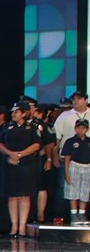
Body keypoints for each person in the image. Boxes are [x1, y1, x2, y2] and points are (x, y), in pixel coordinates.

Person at [0, 102, 41, 236]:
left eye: (16, 112)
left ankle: (22, 226)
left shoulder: (32, 127)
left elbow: (36, 145)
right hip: (10, 164)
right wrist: (10, 153)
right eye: (13, 112)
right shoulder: (7, 127)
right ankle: (14, 226)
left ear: (23, 114)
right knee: (12, 196)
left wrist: (20, 154)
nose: (13, 114)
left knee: (24, 196)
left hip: (26, 165)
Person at [54, 91, 89, 220]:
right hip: (67, 158)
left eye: (79, 98)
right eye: (74, 99)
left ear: (86, 100)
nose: (75, 101)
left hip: (87, 160)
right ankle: (62, 217)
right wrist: (54, 156)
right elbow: (57, 138)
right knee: (64, 187)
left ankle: (82, 215)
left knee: (85, 188)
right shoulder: (65, 115)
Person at [61, 119, 90, 225]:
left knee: (85, 191)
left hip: (87, 166)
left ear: (87, 129)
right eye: (78, 127)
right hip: (74, 165)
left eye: (83, 128)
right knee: (73, 190)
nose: (80, 130)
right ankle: (73, 214)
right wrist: (67, 173)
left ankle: (82, 214)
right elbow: (67, 158)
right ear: (75, 128)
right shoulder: (70, 141)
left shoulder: (89, 141)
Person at [32, 103, 57, 223]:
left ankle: (40, 214)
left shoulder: (45, 126)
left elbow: (50, 143)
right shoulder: (29, 125)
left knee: (42, 186)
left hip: (40, 158)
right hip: (28, 159)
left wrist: (49, 159)